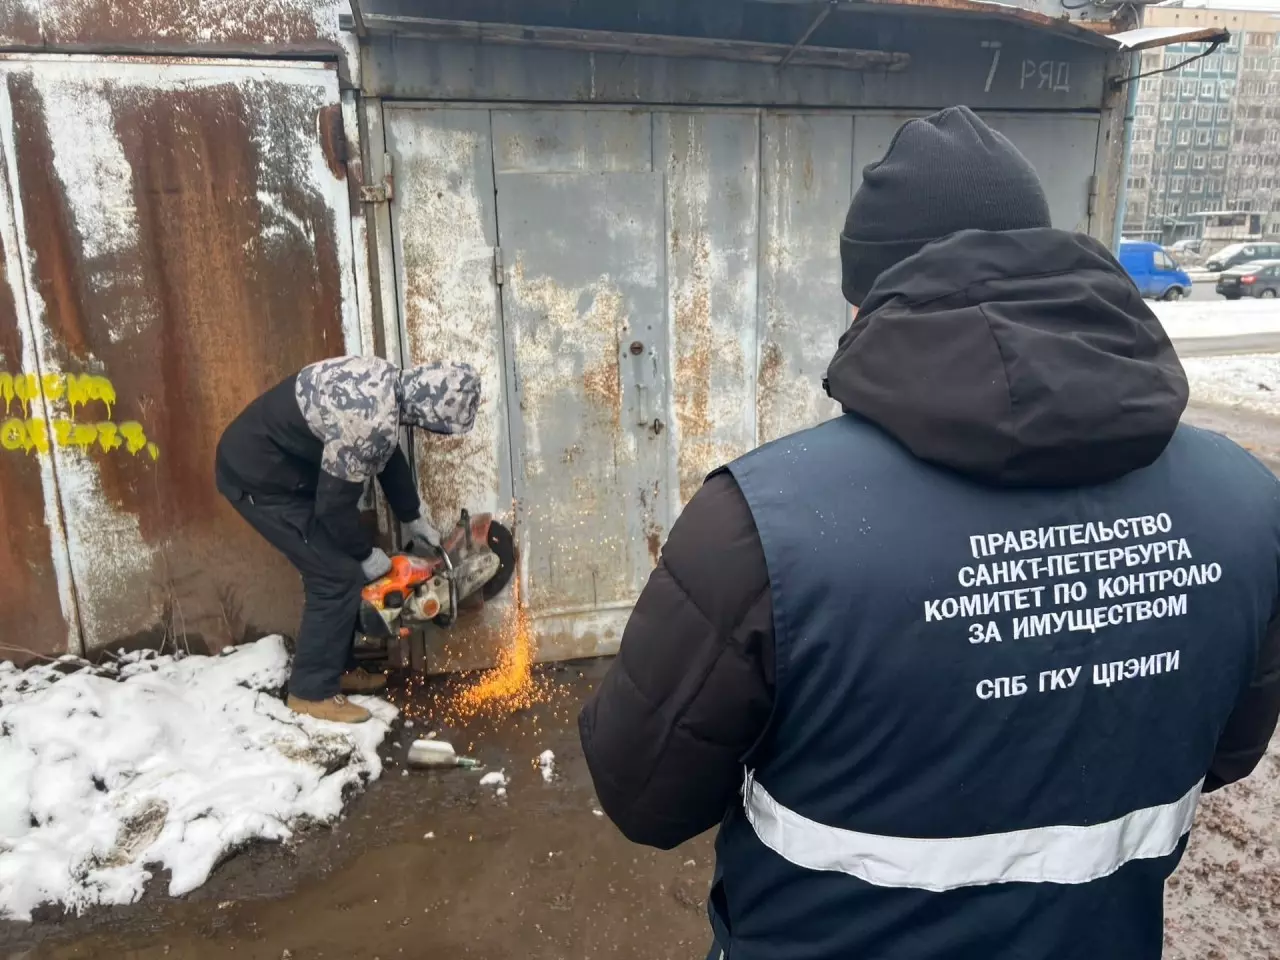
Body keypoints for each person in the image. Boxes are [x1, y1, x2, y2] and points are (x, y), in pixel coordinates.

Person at [579, 106, 1280, 959]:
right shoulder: (1247, 504)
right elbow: (1226, 752)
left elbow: (645, 797)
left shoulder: (761, 526)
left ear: (863, 299)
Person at [216, 355, 480, 723]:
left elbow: (386, 456)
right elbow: (332, 510)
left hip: (285, 465)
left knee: (332, 567)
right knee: (335, 574)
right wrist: (365, 553)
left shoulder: (387, 383)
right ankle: (311, 692)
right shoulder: (369, 420)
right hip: (259, 479)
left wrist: (412, 514)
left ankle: (336, 668)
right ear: (431, 413)